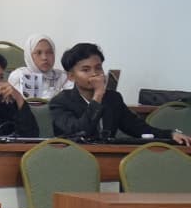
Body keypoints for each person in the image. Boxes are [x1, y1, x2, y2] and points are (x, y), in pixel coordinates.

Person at [49, 42, 191, 144]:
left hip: (108, 157)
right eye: (86, 70)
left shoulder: (113, 99)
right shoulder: (60, 102)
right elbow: (80, 131)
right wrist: (98, 96)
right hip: (73, 160)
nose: (94, 74)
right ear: (71, 76)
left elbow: (137, 128)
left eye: (98, 68)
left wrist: (170, 134)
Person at [8, 34, 68, 98]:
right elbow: (32, 103)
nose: (44, 57)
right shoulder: (18, 76)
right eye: (38, 53)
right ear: (29, 56)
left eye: (49, 52)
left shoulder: (62, 77)